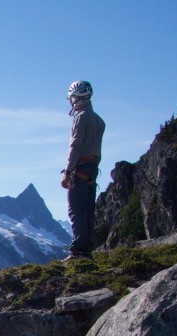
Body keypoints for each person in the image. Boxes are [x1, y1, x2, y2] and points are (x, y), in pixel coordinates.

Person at [61, 80, 106, 259]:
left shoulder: (80, 118)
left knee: (76, 209)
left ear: (76, 98)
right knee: (88, 209)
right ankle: (87, 249)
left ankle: (78, 249)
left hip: (79, 167)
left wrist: (67, 171)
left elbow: (75, 146)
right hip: (93, 168)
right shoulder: (98, 120)